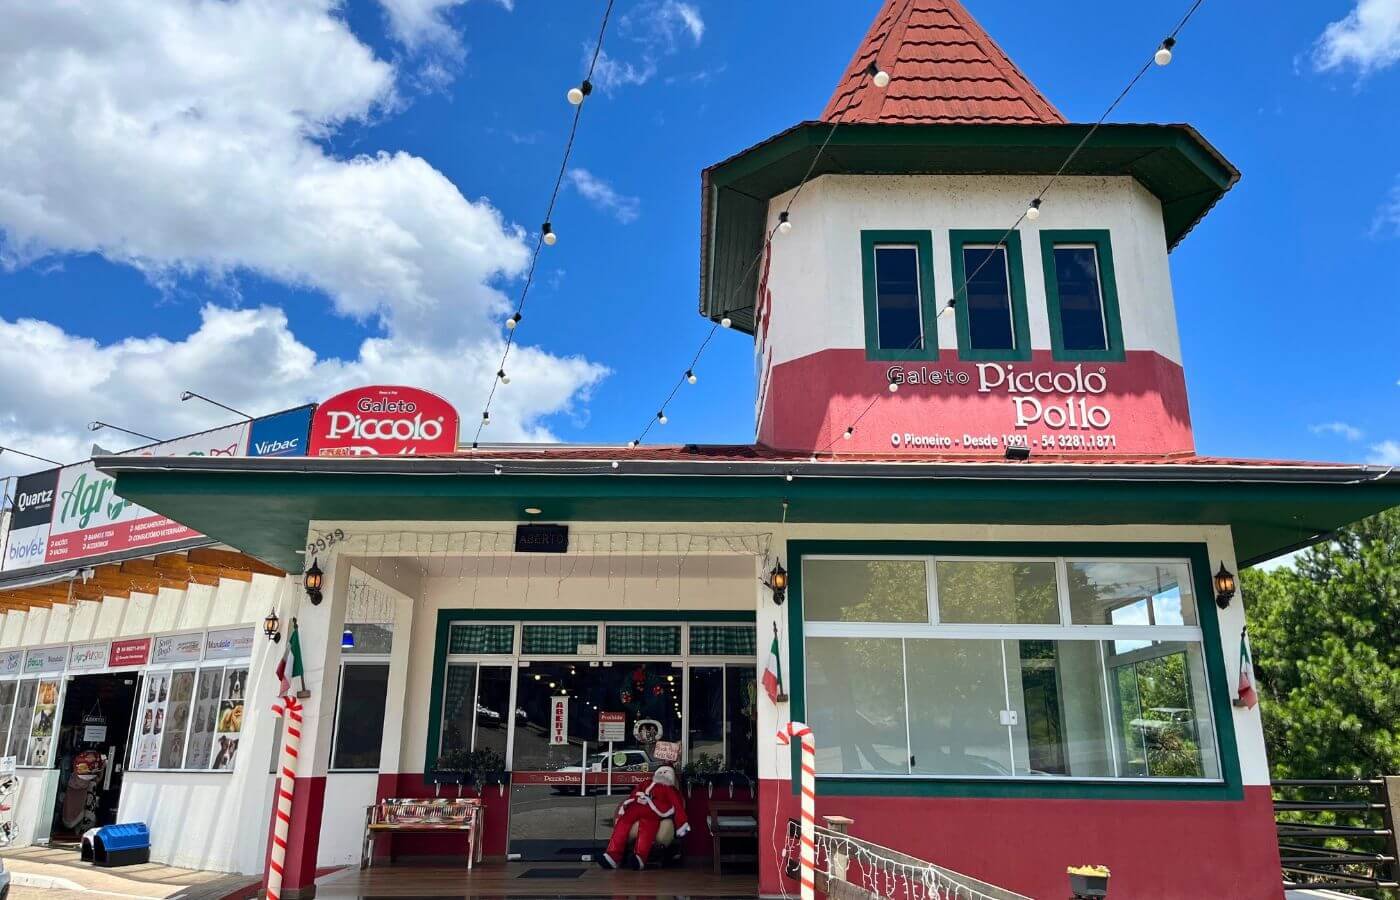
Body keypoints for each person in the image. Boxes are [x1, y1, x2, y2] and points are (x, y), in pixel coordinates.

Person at [599, 765, 689, 870]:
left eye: (666, 772)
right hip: (638, 807)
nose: (662, 774)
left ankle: (639, 857)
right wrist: (634, 799)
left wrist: (681, 824)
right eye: (660, 772)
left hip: (657, 811)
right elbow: (634, 794)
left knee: (647, 825)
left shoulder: (670, 789)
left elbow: (677, 806)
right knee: (625, 822)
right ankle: (613, 855)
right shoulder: (646, 783)